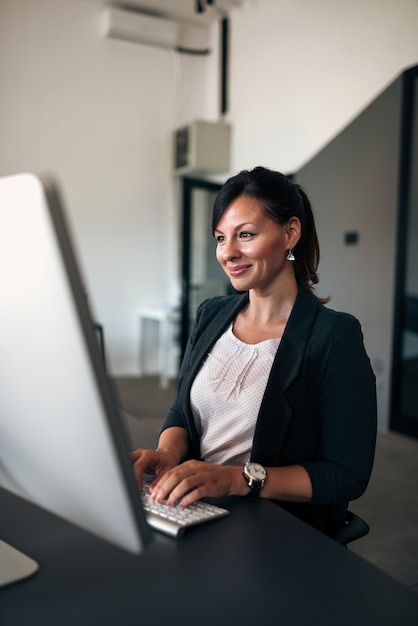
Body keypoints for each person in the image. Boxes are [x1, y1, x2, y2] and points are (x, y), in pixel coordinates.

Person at [132, 166, 377, 536]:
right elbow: (183, 410)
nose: (228, 253)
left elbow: (347, 474)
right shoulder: (211, 313)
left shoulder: (333, 336)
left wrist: (237, 479)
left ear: (290, 232)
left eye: (245, 235)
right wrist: (168, 453)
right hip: (195, 506)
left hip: (271, 526)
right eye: (220, 238)